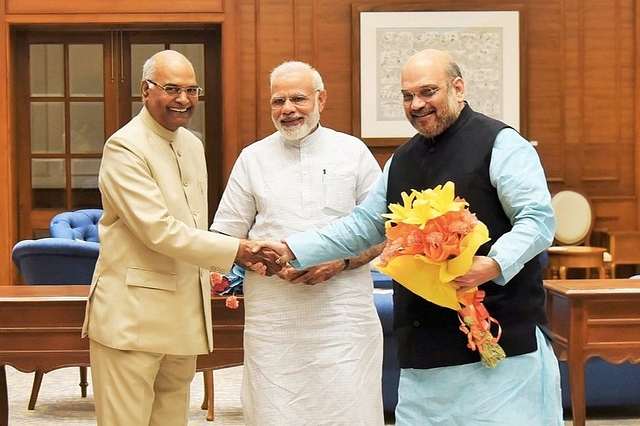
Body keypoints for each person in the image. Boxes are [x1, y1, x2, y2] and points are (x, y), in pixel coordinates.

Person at [265, 49, 564, 425]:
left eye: (427, 92)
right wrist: (292, 248)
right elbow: (363, 226)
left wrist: (492, 263)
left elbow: (536, 220)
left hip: (502, 345)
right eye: (407, 96)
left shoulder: (501, 143)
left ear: (458, 88)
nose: (417, 104)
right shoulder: (400, 160)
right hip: (424, 352)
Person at [81, 50, 281, 426]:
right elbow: (157, 229)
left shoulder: (192, 144)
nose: (184, 99)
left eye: (192, 89)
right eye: (171, 88)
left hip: (183, 316)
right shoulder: (125, 146)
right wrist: (234, 250)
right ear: (145, 89)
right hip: (132, 319)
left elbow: (190, 223)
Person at [210, 60, 386, 425]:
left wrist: (341, 262)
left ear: (321, 99)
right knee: (276, 408)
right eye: (278, 101)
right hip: (275, 315)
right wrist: (255, 258)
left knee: (348, 405)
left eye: (298, 99)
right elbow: (225, 234)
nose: (287, 109)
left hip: (343, 313)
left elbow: (385, 228)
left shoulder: (353, 152)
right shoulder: (252, 158)